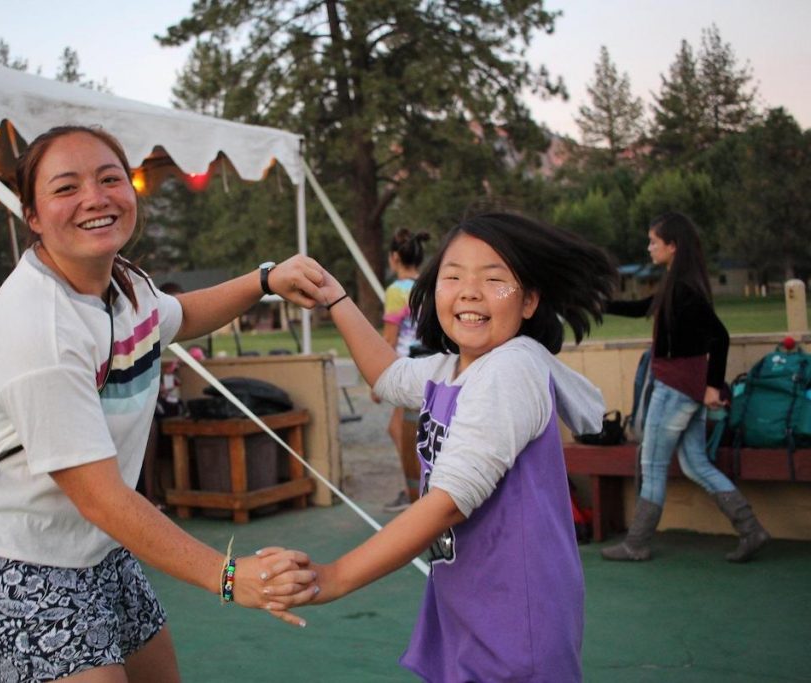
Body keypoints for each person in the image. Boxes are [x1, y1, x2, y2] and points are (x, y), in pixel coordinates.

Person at [0, 125, 319, 682]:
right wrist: (228, 575)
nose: (95, 199)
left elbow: (179, 316)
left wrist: (265, 279)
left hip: (100, 551)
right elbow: (102, 498)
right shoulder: (39, 332)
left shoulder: (124, 282)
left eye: (109, 178)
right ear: (32, 215)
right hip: (20, 563)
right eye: (66, 187)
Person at [297, 212, 615, 682]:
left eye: (494, 279)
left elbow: (448, 504)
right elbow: (386, 374)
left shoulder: (511, 370)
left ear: (528, 301)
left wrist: (334, 577)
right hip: (468, 602)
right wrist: (335, 297)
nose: (469, 291)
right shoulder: (452, 370)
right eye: (453, 277)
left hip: (513, 622)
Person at [601, 212, 770, 563]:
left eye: (653, 242)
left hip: (676, 389)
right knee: (694, 463)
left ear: (672, 246)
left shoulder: (685, 289)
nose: (649, 248)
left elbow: (720, 337)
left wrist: (711, 387)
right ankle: (751, 529)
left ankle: (636, 543)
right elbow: (642, 309)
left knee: (653, 464)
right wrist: (598, 304)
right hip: (685, 389)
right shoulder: (676, 284)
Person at [379, 228, 430, 512]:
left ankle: (415, 485)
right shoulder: (429, 285)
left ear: (394, 257)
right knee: (407, 428)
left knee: (398, 429)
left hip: (404, 369)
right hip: (430, 364)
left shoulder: (396, 291)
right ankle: (415, 482)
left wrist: (377, 381)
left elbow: (389, 337)